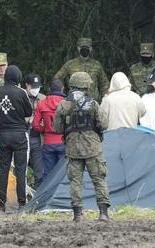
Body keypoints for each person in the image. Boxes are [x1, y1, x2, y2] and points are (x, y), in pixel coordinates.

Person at [53, 72, 110, 222]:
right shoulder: (93, 104)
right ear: (86, 85)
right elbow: (104, 124)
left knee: (75, 182)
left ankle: (78, 214)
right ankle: (103, 214)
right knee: (99, 179)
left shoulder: (63, 105)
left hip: (73, 148)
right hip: (93, 147)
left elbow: (57, 128)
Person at [0, 65, 33, 212]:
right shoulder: (21, 92)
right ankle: (22, 203)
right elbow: (28, 111)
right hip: (19, 135)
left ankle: (1, 203)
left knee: (3, 169)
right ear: (18, 77)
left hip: (2, 135)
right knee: (20, 169)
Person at [54, 37, 109, 103]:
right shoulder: (70, 64)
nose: (85, 50)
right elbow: (57, 78)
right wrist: (62, 93)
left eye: (87, 47)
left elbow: (104, 84)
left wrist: (105, 100)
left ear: (91, 49)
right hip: (74, 102)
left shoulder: (97, 65)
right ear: (78, 48)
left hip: (93, 102)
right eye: (82, 47)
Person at [32, 79, 66, 179]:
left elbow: (35, 125)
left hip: (48, 142)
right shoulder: (67, 103)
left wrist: (45, 128)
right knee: (63, 174)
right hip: (63, 142)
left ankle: (47, 194)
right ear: (62, 89)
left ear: (50, 89)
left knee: (48, 174)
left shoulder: (42, 103)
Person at [24, 74, 46, 188]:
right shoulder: (20, 97)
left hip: (38, 138)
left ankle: (38, 196)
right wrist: (29, 119)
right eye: (33, 86)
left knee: (39, 171)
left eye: (37, 87)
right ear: (27, 85)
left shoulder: (43, 98)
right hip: (23, 138)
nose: (35, 89)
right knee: (21, 169)